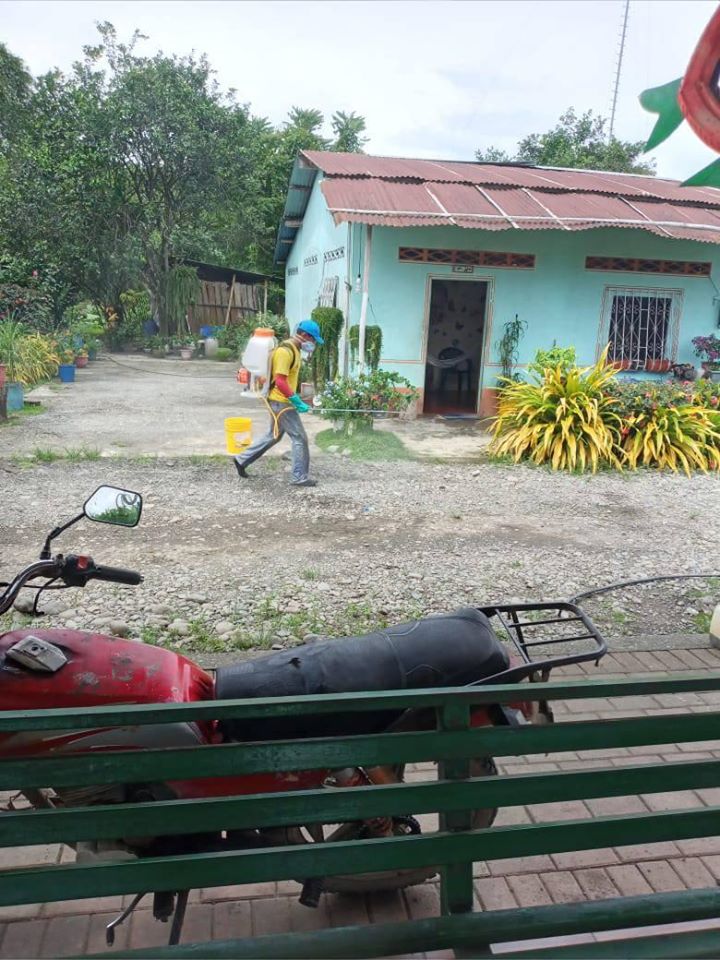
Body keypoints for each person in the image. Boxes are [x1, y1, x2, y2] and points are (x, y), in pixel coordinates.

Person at [233, 320, 324, 487]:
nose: (313, 344)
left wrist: (296, 398)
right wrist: (295, 400)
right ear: (304, 335)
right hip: (281, 402)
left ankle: (241, 459)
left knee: (273, 435)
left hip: (281, 400)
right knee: (299, 438)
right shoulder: (285, 352)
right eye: (313, 339)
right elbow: (280, 381)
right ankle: (299, 477)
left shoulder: (294, 349)